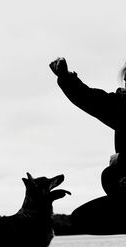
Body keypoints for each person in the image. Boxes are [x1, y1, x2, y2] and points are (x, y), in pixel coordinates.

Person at [49, 58, 126, 233]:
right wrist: (65, 77)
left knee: (111, 176)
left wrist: (122, 159)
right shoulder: (122, 106)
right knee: (82, 217)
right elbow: (91, 99)